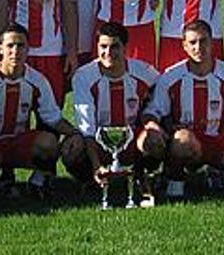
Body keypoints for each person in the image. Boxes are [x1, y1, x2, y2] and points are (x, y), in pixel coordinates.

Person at [0, 24, 81, 195]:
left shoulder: (36, 80)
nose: (15, 51)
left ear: (28, 49)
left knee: (48, 142)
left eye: (21, 45)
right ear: (0, 48)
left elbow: (53, 117)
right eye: (10, 46)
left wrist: (74, 133)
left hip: (18, 142)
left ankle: (38, 181)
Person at [141, 21, 224, 199]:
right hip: (189, 140)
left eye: (203, 41)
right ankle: (175, 178)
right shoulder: (171, 76)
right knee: (182, 140)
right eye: (192, 43)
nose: (198, 47)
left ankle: (223, 172)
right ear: (184, 46)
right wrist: (152, 125)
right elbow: (154, 110)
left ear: (212, 43)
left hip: (219, 139)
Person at [61, 22, 161, 206]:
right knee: (71, 148)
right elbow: (87, 127)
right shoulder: (84, 76)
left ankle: (140, 175)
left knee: (155, 139)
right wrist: (96, 165)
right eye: (103, 46)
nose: (108, 52)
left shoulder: (144, 72)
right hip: (99, 144)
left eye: (115, 46)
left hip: (132, 142)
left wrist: (154, 120)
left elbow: (163, 90)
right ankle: (92, 179)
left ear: (125, 48)